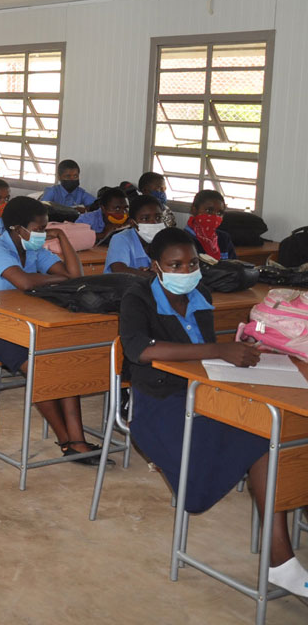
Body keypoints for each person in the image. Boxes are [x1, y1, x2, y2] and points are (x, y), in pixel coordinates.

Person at [119, 227, 308, 596]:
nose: (186, 270)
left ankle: (280, 555)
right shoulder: (137, 296)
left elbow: (202, 350)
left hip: (206, 392)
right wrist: (219, 351)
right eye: (175, 264)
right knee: (259, 436)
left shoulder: (200, 292)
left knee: (276, 427)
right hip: (158, 404)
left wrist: (245, 347)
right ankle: (280, 557)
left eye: (192, 263)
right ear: (156, 266)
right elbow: (139, 350)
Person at [0, 196, 94, 460]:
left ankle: (77, 438)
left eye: (46, 228)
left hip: (21, 322)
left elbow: (76, 278)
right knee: (38, 366)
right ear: (16, 228)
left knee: (63, 360)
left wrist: (62, 237)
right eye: (38, 229)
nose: (42, 234)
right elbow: (24, 282)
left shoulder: (33, 249)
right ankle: (67, 440)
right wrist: (56, 280)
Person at [104, 195, 163, 276]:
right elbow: (119, 270)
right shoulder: (121, 239)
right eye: (145, 219)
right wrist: (153, 276)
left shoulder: (164, 241)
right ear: (132, 223)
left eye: (158, 217)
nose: (154, 223)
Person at [186, 189, 237, 260]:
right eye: (209, 211)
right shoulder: (183, 239)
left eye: (219, 213)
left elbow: (234, 266)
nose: (215, 216)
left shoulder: (224, 238)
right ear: (194, 210)